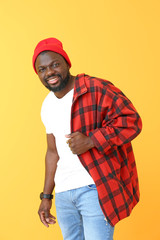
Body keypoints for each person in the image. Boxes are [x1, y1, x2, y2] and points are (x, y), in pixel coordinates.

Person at [32, 38, 142, 240]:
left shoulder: (95, 88)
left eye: (55, 64)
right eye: (42, 69)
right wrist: (46, 196)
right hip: (64, 194)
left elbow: (132, 121)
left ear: (67, 63)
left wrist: (92, 140)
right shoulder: (47, 105)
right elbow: (52, 152)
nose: (49, 73)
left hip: (93, 187)